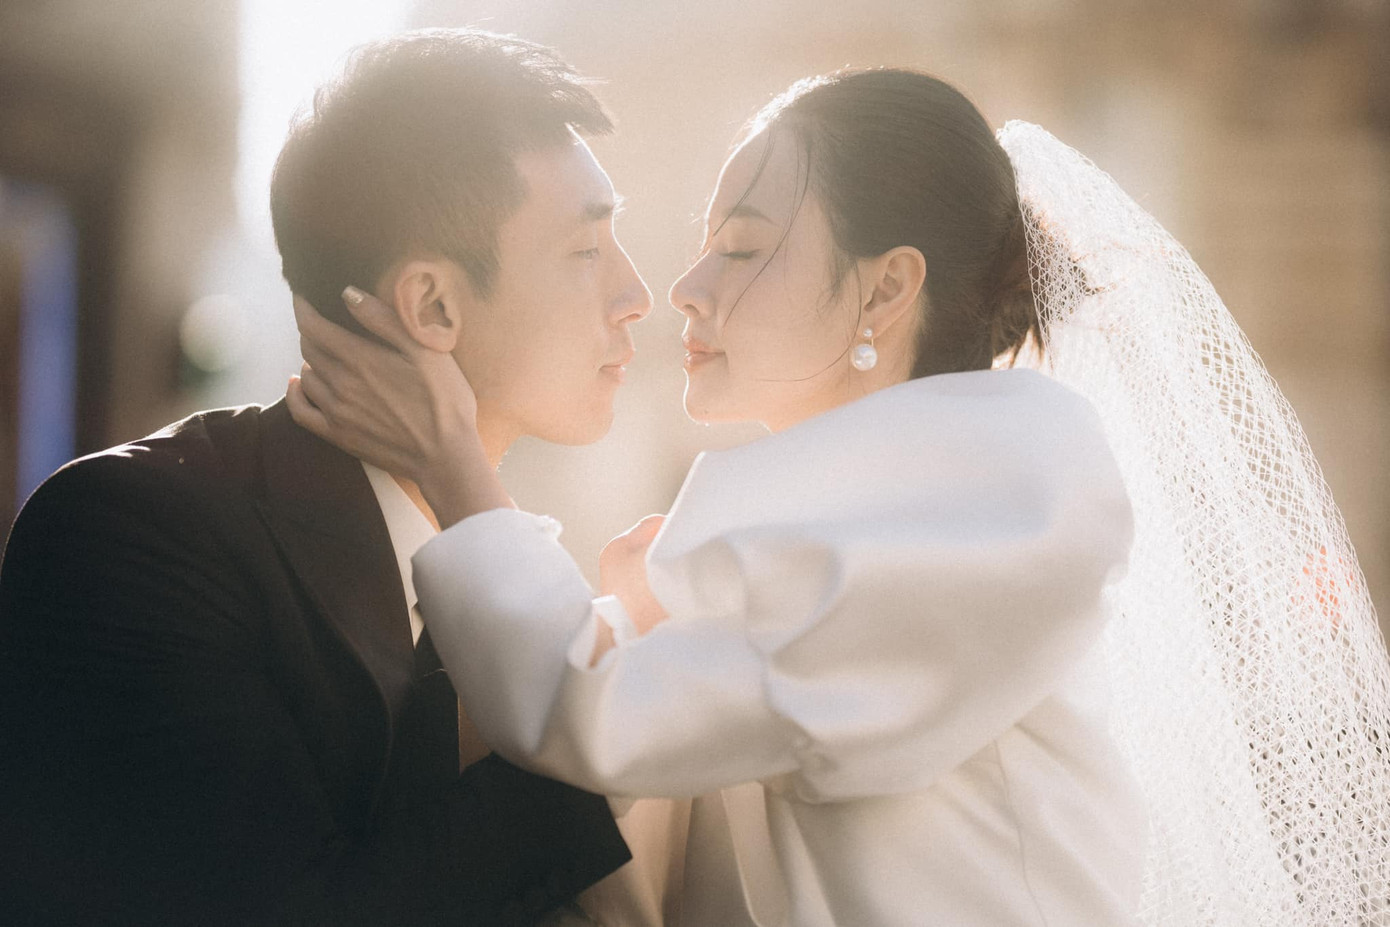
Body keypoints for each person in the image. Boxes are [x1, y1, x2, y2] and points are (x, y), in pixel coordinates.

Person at [295, 66, 1390, 926]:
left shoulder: (989, 517)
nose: (684, 288)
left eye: (742, 247)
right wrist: (629, 608)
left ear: (886, 288)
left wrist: (458, 469)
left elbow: (594, 720)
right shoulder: (851, 524)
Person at [0, 30, 652, 925]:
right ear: (432, 305)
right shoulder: (131, 531)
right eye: (587, 251)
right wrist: (607, 727)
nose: (636, 295)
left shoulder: (504, 575)